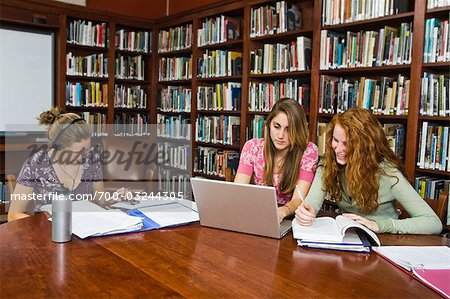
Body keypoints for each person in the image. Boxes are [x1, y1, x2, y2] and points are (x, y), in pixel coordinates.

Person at [295, 108, 442, 234]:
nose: (338, 149)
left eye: (346, 144)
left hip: (383, 242)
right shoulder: (329, 163)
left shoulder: (388, 174)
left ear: (364, 146)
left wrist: (380, 225)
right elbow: (312, 202)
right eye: (335, 140)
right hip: (347, 236)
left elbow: (433, 223)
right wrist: (306, 211)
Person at [8, 108, 126, 222]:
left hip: (85, 231)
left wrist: (113, 198)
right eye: (78, 152)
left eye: (87, 148)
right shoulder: (36, 164)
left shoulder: (92, 157)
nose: (84, 156)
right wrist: (50, 224)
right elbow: (13, 215)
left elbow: (99, 199)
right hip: (49, 234)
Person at [234, 98, 318, 222]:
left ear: (298, 130)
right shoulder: (252, 147)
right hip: (257, 215)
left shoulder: (309, 151)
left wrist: (282, 212)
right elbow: (238, 191)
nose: (280, 136)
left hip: (289, 218)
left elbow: (298, 199)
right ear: (269, 125)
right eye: (277, 126)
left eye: (288, 130)